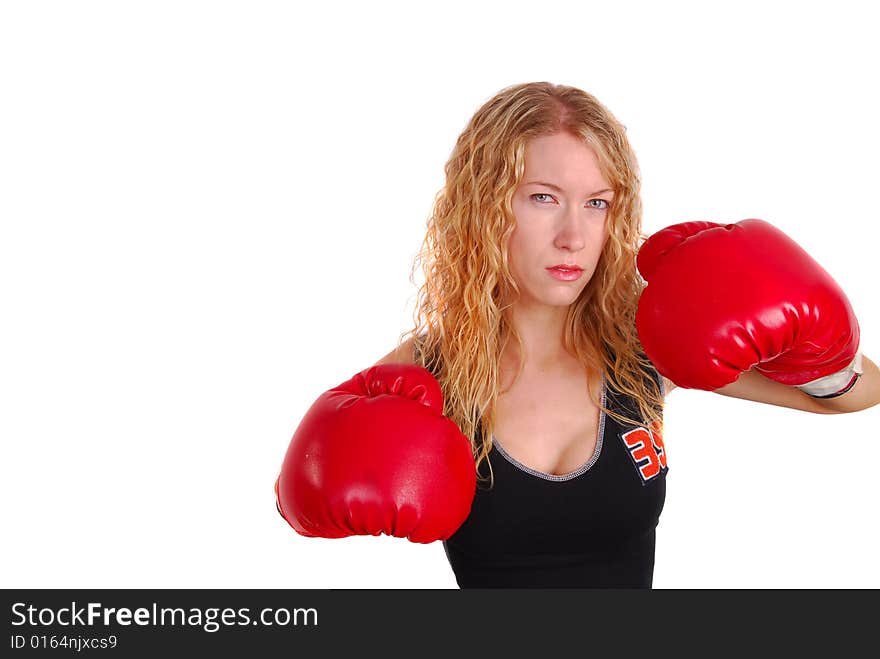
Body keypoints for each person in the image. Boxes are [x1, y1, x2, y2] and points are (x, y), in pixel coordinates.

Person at [274, 81, 879, 588]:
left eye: (597, 204)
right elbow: (295, 492)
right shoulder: (431, 371)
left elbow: (860, 392)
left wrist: (814, 345)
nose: (574, 236)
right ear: (484, 208)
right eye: (543, 198)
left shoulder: (646, 345)